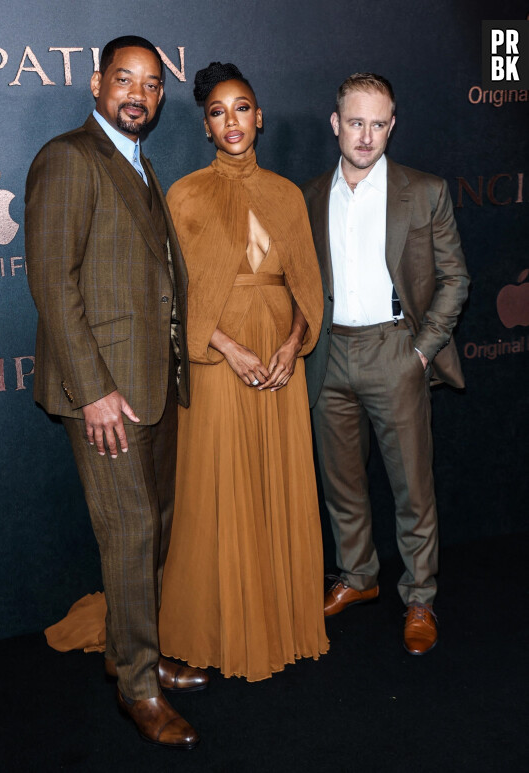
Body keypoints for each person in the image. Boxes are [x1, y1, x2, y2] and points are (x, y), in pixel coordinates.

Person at [25, 35, 207, 750]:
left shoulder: (137, 162)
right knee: (131, 533)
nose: (139, 93)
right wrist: (93, 390)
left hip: (152, 385)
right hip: (107, 394)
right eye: (125, 80)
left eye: (153, 84)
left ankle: (135, 648)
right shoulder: (69, 158)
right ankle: (137, 685)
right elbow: (52, 282)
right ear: (96, 83)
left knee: (152, 526)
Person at [158, 62, 329, 681]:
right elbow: (175, 298)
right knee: (219, 491)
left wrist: (292, 345)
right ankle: (223, 625)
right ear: (206, 126)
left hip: (281, 364)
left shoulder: (287, 194)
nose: (231, 121)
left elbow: (308, 287)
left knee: (277, 482)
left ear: (260, 116)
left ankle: (281, 617)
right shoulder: (185, 195)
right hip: (218, 361)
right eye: (217, 111)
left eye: (242, 108)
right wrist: (229, 348)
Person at [302, 73, 469, 655]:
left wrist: (421, 351)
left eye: (378, 123)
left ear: (391, 125)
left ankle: (420, 595)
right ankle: (358, 578)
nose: (366, 135)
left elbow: (456, 279)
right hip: (330, 355)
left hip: (395, 351)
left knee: (411, 487)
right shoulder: (311, 194)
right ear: (335, 124)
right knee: (342, 482)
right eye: (355, 122)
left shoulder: (424, 191)